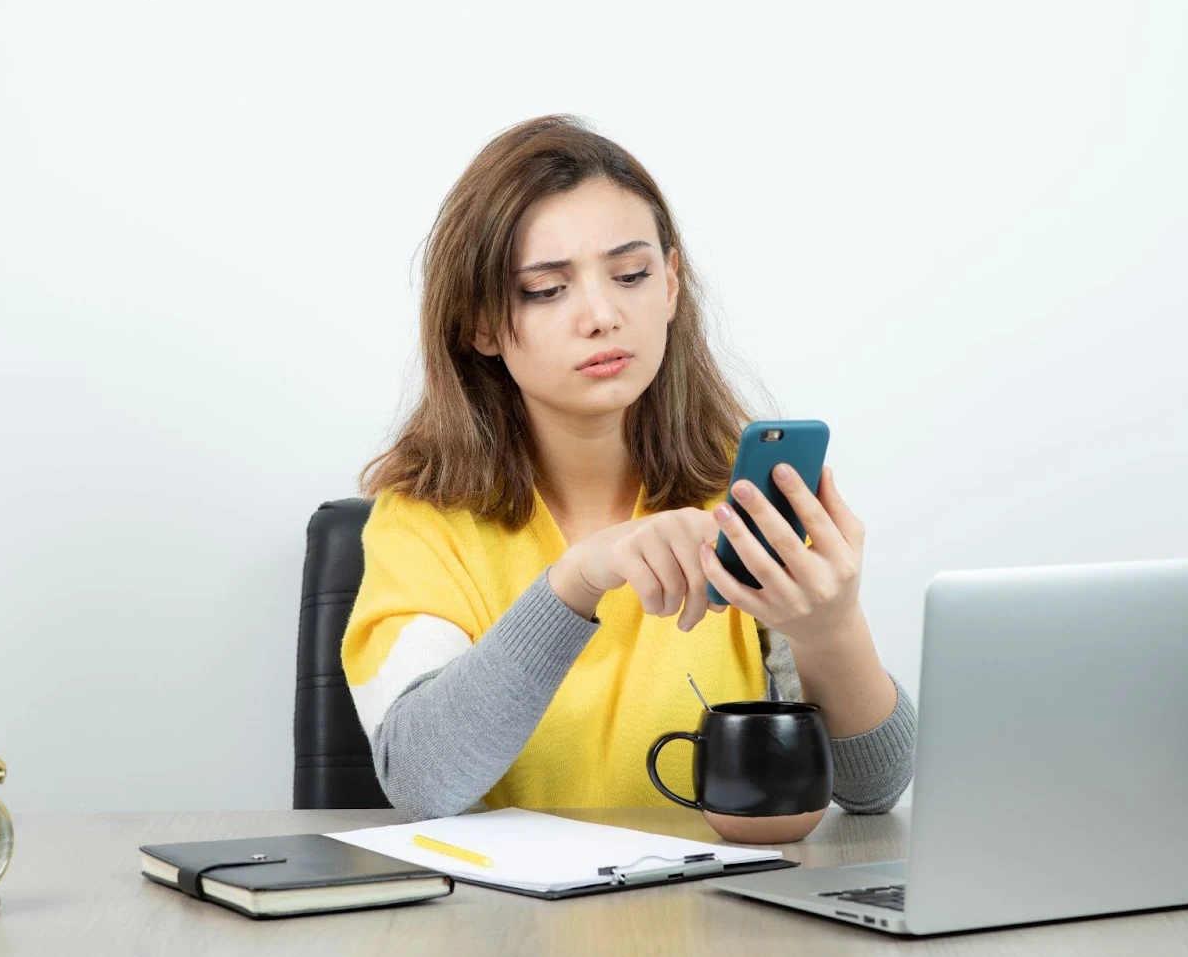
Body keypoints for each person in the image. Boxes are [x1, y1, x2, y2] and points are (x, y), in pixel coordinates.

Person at [340, 115, 914, 820]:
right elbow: (424, 781)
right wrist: (578, 579)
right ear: (481, 324)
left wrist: (832, 630)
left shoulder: (739, 497)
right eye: (546, 289)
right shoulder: (421, 521)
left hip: (719, 891)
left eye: (631, 275)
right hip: (510, 897)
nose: (602, 315)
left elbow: (872, 789)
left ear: (670, 284)